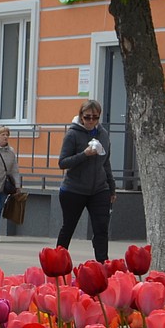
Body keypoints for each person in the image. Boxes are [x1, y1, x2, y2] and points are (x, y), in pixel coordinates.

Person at [56, 99, 115, 261]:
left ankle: (103, 266)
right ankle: (57, 264)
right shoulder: (72, 134)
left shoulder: (103, 134)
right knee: (68, 227)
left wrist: (112, 187)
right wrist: (84, 154)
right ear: (81, 116)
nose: (90, 121)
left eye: (94, 117)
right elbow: (62, 162)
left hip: (99, 189)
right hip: (74, 190)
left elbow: (106, 162)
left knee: (101, 228)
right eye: (87, 117)